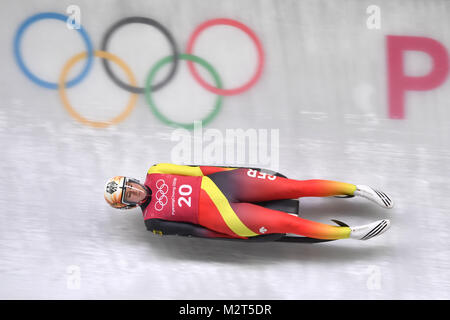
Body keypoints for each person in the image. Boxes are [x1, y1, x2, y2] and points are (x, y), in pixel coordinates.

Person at [104, 163, 393, 242]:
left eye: (131, 186)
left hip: (228, 182)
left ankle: (357, 189)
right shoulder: (151, 220)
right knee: (289, 224)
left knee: (295, 186)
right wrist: (231, 235)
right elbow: (194, 232)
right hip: (226, 216)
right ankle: (350, 233)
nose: (135, 191)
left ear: (134, 180)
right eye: (129, 196)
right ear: (128, 205)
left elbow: (200, 169)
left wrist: (235, 172)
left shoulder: (157, 171)